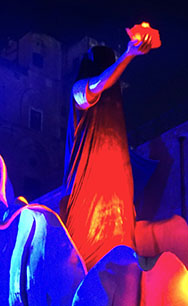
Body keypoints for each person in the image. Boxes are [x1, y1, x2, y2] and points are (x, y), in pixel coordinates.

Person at [60, 32, 154, 269]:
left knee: (121, 252)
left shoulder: (115, 112)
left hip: (116, 194)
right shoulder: (79, 90)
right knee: (88, 257)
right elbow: (100, 83)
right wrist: (128, 55)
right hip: (87, 193)